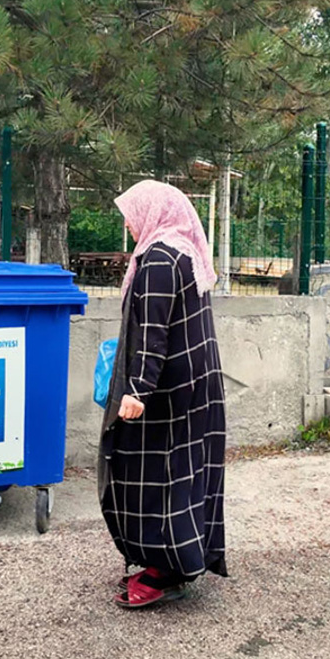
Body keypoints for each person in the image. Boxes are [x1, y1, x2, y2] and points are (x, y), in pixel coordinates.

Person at [99, 179, 228, 609]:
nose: (132, 227)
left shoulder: (158, 258)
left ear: (152, 213)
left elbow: (154, 333)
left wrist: (137, 390)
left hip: (167, 392)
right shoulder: (185, 251)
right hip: (195, 385)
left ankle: (167, 569)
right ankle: (175, 558)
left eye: (133, 217)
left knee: (157, 476)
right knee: (185, 474)